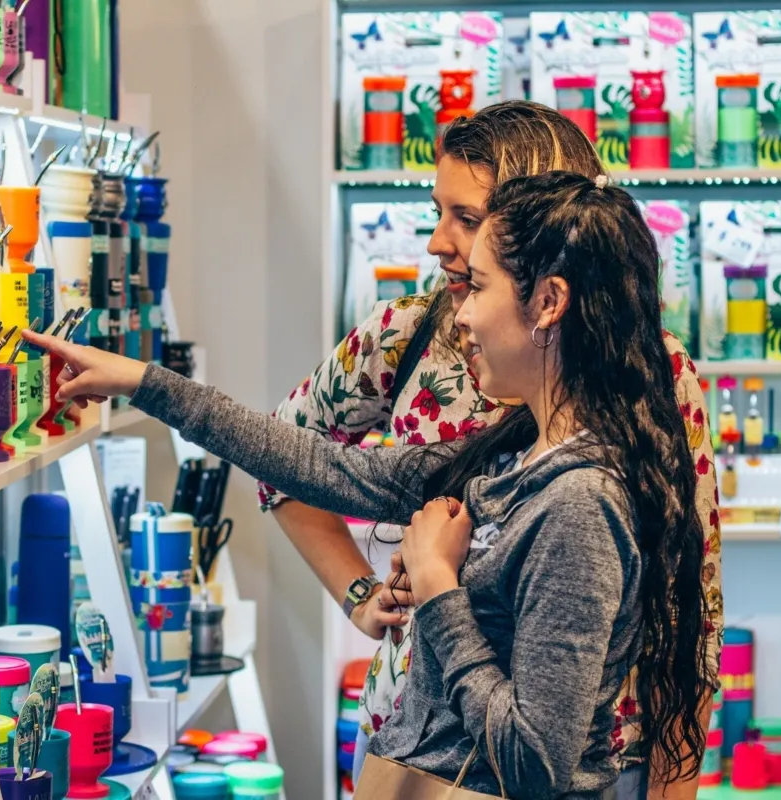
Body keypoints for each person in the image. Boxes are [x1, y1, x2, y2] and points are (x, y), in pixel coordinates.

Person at [22, 171, 715, 799]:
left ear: (549, 302)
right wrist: (144, 383)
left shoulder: (579, 506)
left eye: (479, 287)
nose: (463, 314)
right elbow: (317, 464)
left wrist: (439, 586)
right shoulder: (508, 456)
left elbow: (537, 763)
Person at [260, 102, 722, 799]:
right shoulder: (405, 333)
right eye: (438, 211)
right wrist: (360, 594)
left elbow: (692, 603)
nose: (440, 243)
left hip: (588, 760)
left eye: (466, 219)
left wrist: (674, 785)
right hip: (419, 755)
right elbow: (284, 457)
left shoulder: (653, 371)